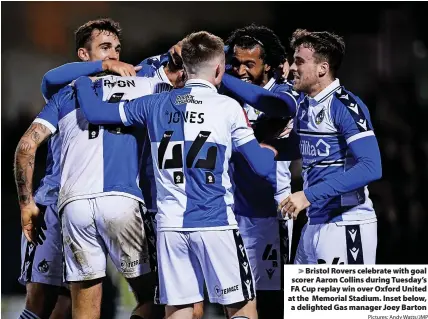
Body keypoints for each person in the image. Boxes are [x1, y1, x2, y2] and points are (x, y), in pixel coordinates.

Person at [72, 30, 293, 319]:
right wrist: (271, 148)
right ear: (218, 69)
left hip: (170, 228)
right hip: (216, 224)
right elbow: (262, 167)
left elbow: (97, 112)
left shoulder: (152, 105)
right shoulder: (229, 107)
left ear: (184, 67)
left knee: (179, 311)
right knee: (242, 308)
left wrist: (81, 81)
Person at [15, 19, 172, 319]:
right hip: (53, 203)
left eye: (117, 48)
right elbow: (51, 76)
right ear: (83, 55)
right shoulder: (65, 87)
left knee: (70, 303)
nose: (113, 54)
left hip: (77, 205)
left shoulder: (131, 83)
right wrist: (28, 205)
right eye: (104, 48)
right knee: (44, 302)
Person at [218, 24, 301, 318]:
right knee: (236, 300)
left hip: (271, 214)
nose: (241, 70)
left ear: (268, 65)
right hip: (231, 212)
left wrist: (223, 76)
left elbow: (275, 106)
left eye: (249, 64)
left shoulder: (284, 93)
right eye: (236, 63)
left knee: (270, 301)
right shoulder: (225, 96)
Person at [279, 29, 382, 264]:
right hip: (314, 223)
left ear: (322, 69)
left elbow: (371, 167)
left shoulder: (345, 105)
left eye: (299, 62)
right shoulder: (304, 104)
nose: (292, 68)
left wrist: (307, 195)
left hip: (346, 224)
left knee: (341, 302)